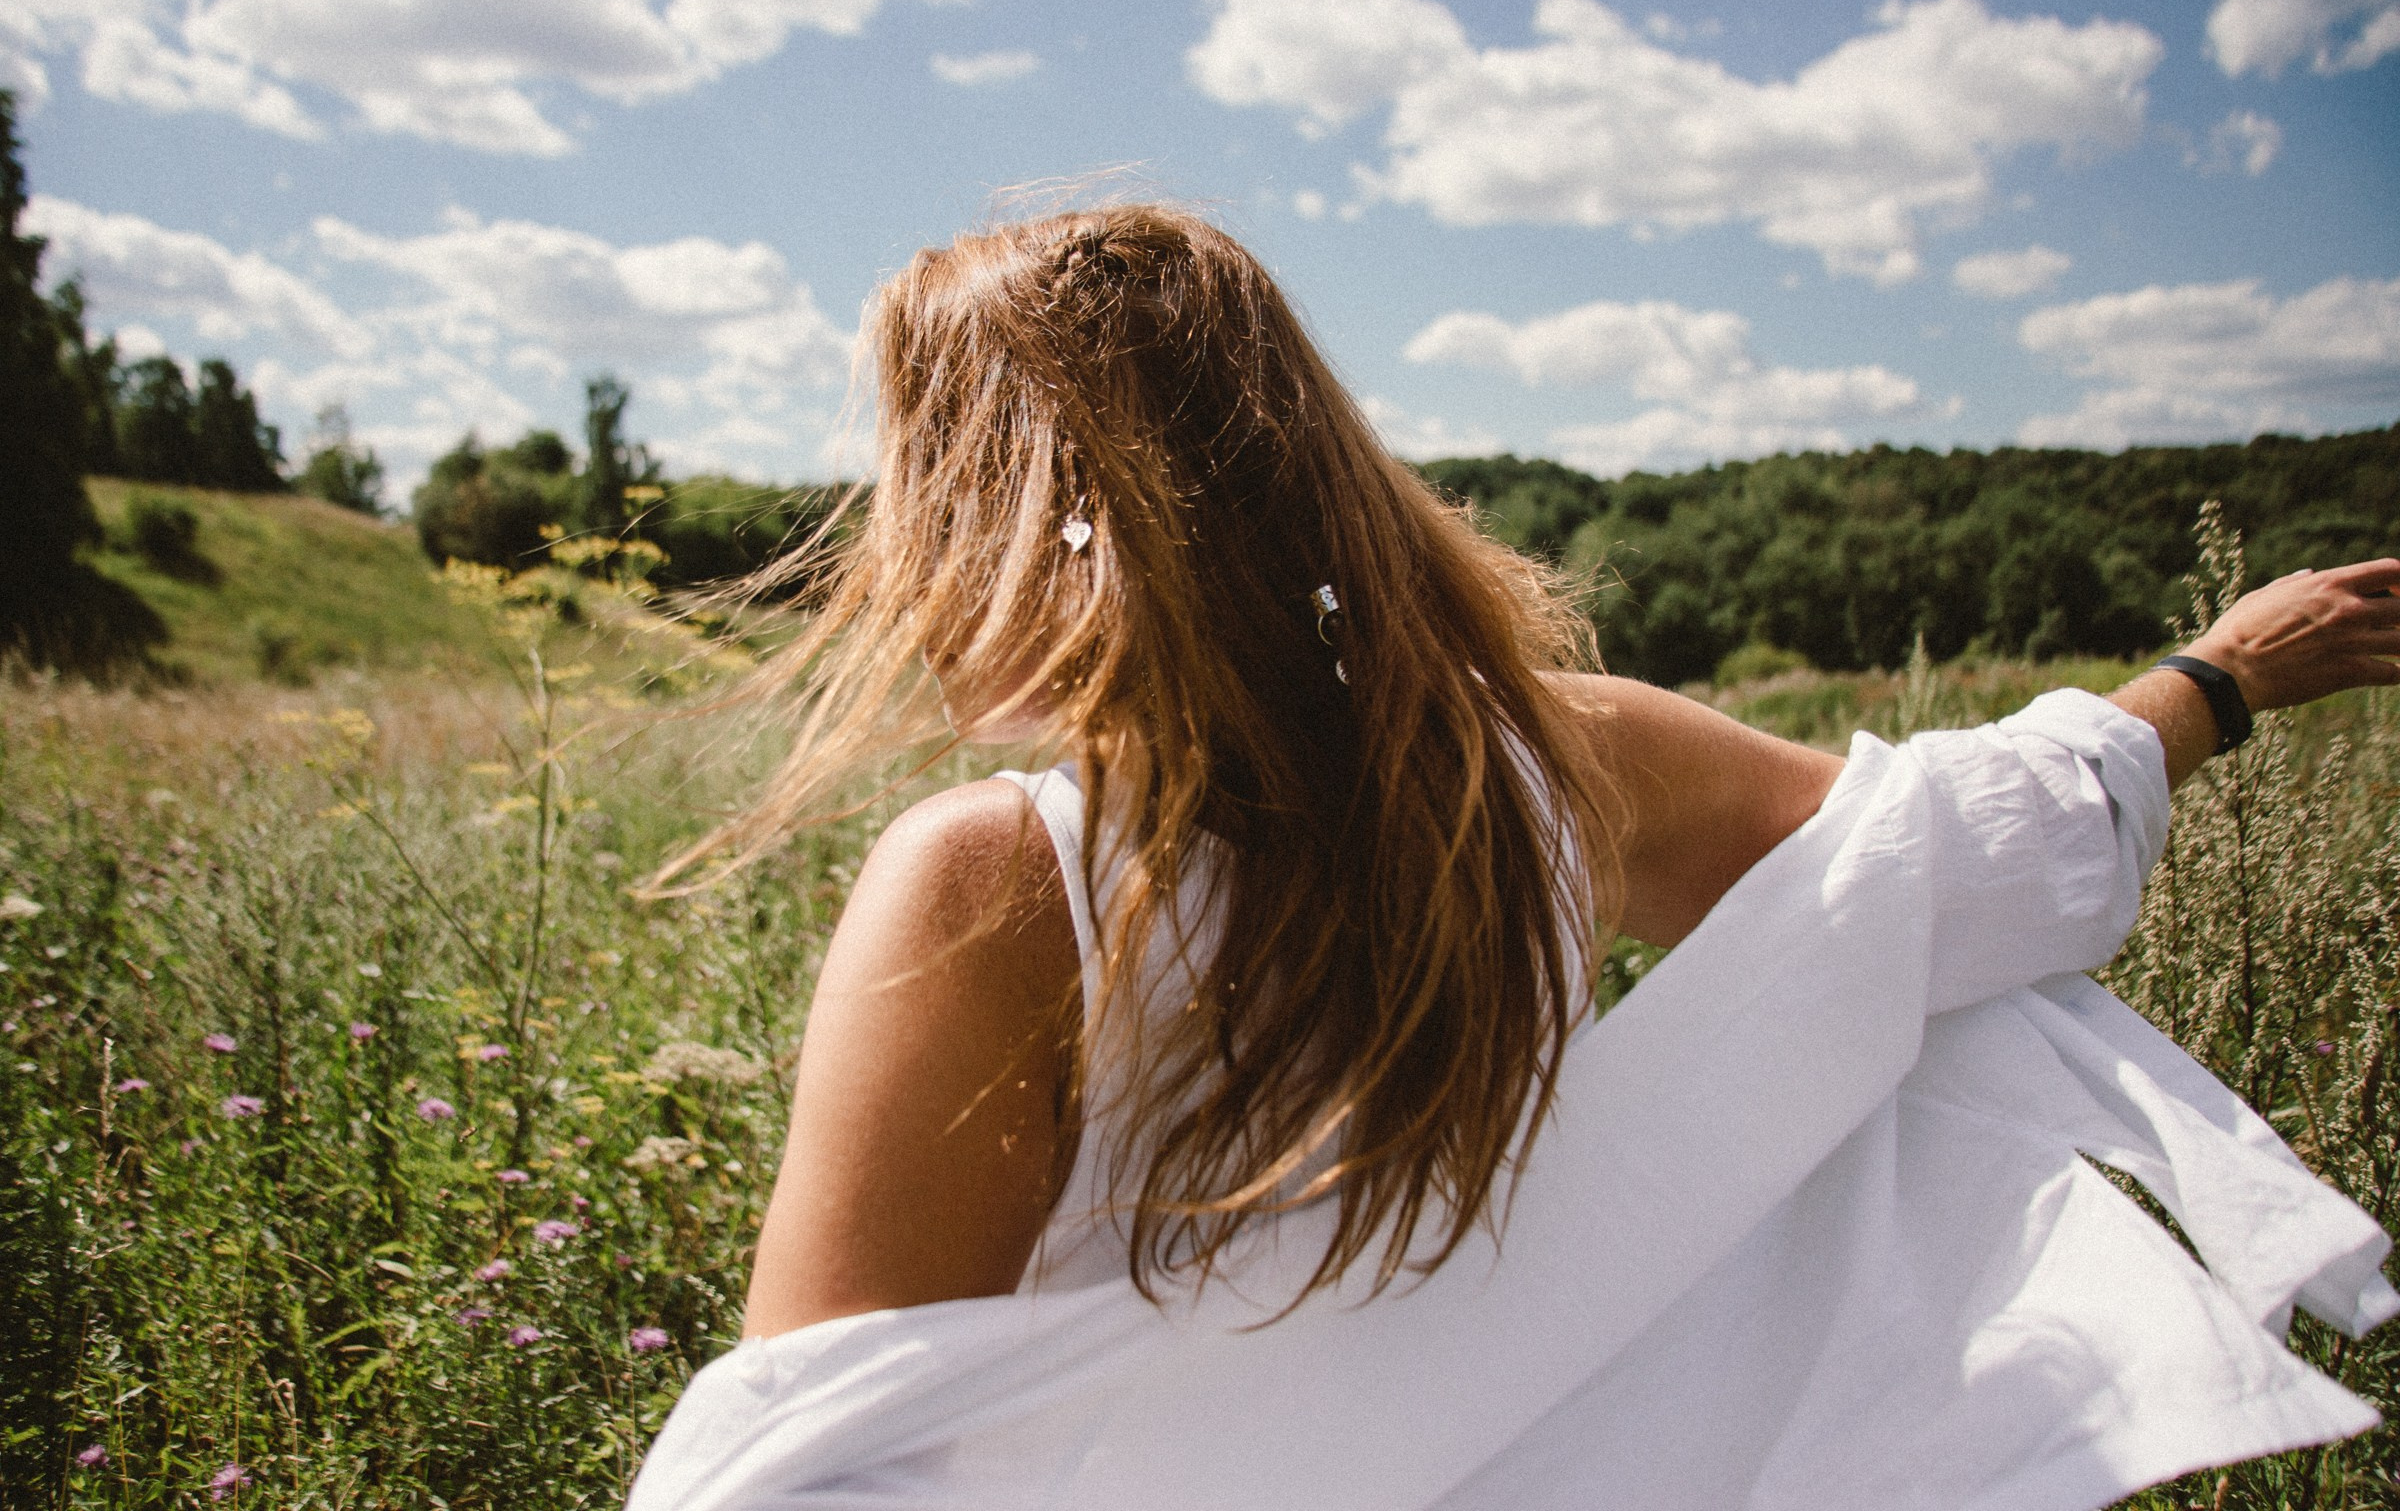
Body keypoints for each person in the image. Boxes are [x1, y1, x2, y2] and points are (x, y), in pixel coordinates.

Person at [629, 204, 2400, 1510]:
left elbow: (805, 1462)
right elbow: (1950, 856)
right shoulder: (1551, 770)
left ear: (1026, 508)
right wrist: (2215, 678)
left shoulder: (1002, 880)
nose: (897, 546)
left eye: (923, 481)